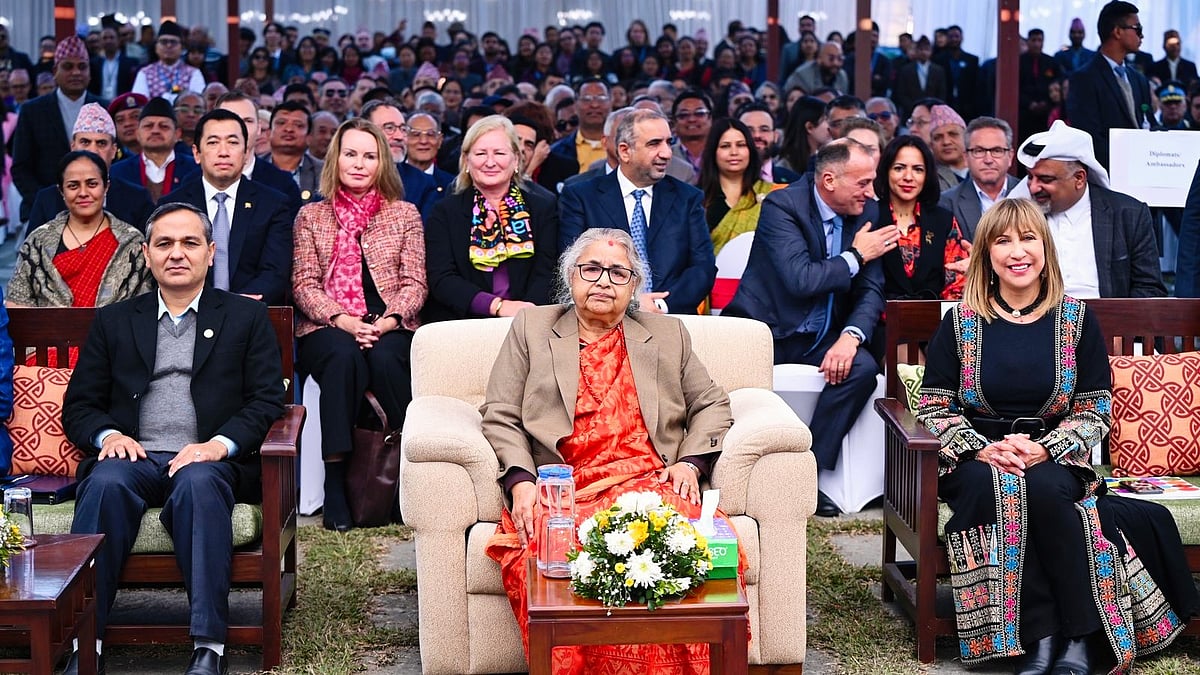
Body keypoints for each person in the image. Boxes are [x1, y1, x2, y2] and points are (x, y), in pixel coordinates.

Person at [915, 197, 1198, 675]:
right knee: (994, 491)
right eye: (1002, 241)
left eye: (1028, 238)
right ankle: (1041, 639)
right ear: (986, 253)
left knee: (1046, 490)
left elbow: (1095, 407)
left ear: (1045, 249)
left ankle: (1077, 638)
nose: (1016, 251)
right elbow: (934, 405)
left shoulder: (1076, 319)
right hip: (978, 457)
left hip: (1054, 452)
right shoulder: (960, 322)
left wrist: (1046, 446)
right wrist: (983, 448)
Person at [482, 226, 734, 672]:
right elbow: (500, 413)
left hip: (649, 480)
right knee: (544, 551)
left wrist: (692, 464)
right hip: (564, 485)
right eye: (592, 269)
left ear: (634, 286)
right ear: (571, 277)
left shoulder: (666, 333)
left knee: (684, 550)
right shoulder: (532, 328)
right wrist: (520, 481)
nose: (603, 281)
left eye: (618, 273)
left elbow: (712, 403)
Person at [61, 202, 286, 675]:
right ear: (147, 254)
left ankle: (209, 646)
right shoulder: (116, 320)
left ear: (210, 252)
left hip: (209, 460)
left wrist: (217, 445)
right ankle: (86, 645)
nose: (176, 253)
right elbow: (80, 405)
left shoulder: (245, 318)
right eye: (164, 243)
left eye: (189, 243)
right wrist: (109, 435)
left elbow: (266, 401)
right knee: (104, 483)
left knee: (199, 485)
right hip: (134, 456)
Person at [723, 139, 899, 517]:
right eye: (863, 182)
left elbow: (871, 289)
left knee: (864, 369)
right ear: (829, 180)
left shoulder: (869, 211)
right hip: (765, 332)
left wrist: (850, 337)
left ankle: (808, 474)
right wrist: (856, 254)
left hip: (825, 335)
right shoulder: (782, 206)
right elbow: (800, 279)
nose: (871, 192)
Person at [292, 118, 426, 532]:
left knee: (387, 360)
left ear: (382, 162)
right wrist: (344, 320)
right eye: (351, 154)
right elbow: (303, 284)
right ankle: (336, 486)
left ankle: (402, 480)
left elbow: (415, 283)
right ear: (336, 158)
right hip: (328, 326)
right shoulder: (311, 215)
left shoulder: (403, 214)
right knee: (341, 357)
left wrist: (385, 322)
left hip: (391, 325)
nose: (359, 163)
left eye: (370, 156)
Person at [559, 108, 716, 315]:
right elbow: (574, 265)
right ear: (625, 151)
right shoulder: (581, 197)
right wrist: (631, 301)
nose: (667, 153)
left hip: (670, 318)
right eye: (654, 144)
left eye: (669, 142)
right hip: (601, 319)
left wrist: (659, 306)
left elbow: (703, 268)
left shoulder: (687, 198)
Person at [422, 116, 557, 322]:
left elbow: (547, 273)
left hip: (528, 320)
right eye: (481, 153)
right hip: (462, 323)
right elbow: (442, 279)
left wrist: (526, 314)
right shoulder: (444, 212)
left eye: (500, 153)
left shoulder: (542, 209)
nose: (490, 162)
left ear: (516, 160)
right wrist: (498, 306)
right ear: (466, 161)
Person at [1012, 120, 1165, 299]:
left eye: (1045, 179)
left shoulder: (1128, 215)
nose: (1033, 188)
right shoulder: (1019, 215)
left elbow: (1149, 288)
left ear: (1079, 178)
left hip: (1109, 322)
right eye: (1030, 177)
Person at [159, 109, 295, 305]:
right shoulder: (172, 206)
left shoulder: (273, 204)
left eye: (233, 142)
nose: (223, 152)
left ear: (246, 152)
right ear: (197, 153)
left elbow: (275, 271)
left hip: (250, 313)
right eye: (213, 143)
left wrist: (236, 306)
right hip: (189, 310)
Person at [8, 150, 150, 315]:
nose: (83, 193)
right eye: (73, 186)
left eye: (92, 184)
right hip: (47, 338)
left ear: (106, 187)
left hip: (116, 338)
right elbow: (17, 302)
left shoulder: (132, 243)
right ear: (61, 191)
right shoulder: (37, 241)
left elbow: (143, 306)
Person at [10, 36, 104, 223]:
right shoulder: (32, 111)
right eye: (68, 67)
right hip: (44, 214)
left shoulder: (104, 108)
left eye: (82, 67)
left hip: (99, 212)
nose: (76, 72)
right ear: (55, 71)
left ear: (90, 72)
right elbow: (20, 168)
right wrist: (46, 204)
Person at [26, 103, 156, 234]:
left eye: (101, 143)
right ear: (73, 147)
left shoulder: (137, 198)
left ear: (113, 151)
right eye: (85, 142)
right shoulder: (47, 199)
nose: (93, 150)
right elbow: (31, 252)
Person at [875, 136, 968, 301]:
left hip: (933, 320)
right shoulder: (870, 216)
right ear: (886, 171)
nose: (908, 177)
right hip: (878, 321)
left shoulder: (943, 220)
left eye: (918, 169)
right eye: (899, 168)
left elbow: (956, 283)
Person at [1067, 1, 1152, 169]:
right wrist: (1123, 166)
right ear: (1118, 32)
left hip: (1144, 169)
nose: (1141, 36)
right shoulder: (1084, 78)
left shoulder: (1139, 79)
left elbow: (1148, 121)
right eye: (1137, 29)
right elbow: (1089, 137)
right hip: (1107, 174)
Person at [699, 117, 782, 255]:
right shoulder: (697, 200)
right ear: (713, 152)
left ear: (750, 150)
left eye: (741, 145)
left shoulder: (775, 194)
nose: (734, 152)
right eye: (725, 146)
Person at [938, 116, 1019, 240]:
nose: (988, 160)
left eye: (997, 151)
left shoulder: (1029, 194)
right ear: (965, 158)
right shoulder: (946, 203)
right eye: (979, 151)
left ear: (1010, 157)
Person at [109, 97, 201, 202]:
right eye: (148, 126)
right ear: (138, 133)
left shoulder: (196, 170)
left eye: (164, 126)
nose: (155, 131)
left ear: (177, 134)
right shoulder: (117, 173)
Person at [131, 21, 206, 102]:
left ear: (182, 48)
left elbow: (199, 102)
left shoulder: (193, 73)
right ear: (156, 47)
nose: (169, 46)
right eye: (164, 42)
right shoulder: (145, 73)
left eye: (173, 42)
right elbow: (139, 103)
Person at [892, 36, 946, 121]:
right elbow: (901, 93)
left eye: (927, 49)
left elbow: (942, 94)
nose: (924, 52)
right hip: (910, 113)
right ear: (916, 51)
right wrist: (915, 108)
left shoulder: (938, 70)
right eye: (921, 49)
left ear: (931, 51)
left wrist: (932, 108)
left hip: (932, 114)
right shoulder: (906, 69)